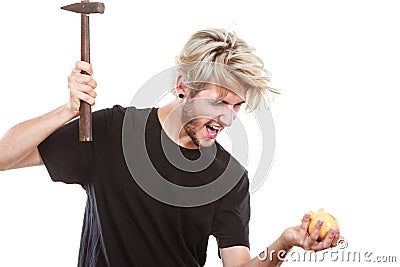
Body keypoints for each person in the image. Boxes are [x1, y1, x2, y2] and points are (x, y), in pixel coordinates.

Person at [0, 28, 341, 267]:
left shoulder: (230, 176)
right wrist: (69, 111)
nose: (228, 118)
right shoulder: (111, 131)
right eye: (219, 101)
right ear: (183, 87)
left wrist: (285, 242)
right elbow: (4, 158)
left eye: (237, 106)